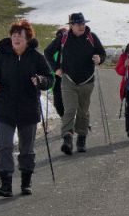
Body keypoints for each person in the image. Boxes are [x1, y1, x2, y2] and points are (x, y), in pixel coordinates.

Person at [0, 19, 55, 197]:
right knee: (5, 146)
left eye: (19, 36)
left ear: (27, 39)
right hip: (4, 109)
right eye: (13, 35)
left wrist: (40, 80)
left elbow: (50, 79)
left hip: (28, 110)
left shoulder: (37, 58)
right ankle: (6, 184)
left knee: (27, 148)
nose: (15, 38)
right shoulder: (2, 56)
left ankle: (26, 182)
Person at [43, 12, 107, 155]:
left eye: (83, 23)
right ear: (71, 26)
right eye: (78, 24)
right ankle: (67, 138)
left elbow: (102, 54)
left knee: (83, 111)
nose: (82, 26)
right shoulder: (63, 38)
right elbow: (47, 52)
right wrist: (56, 69)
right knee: (70, 109)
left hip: (87, 80)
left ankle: (82, 138)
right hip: (68, 80)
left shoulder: (92, 37)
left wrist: (99, 59)